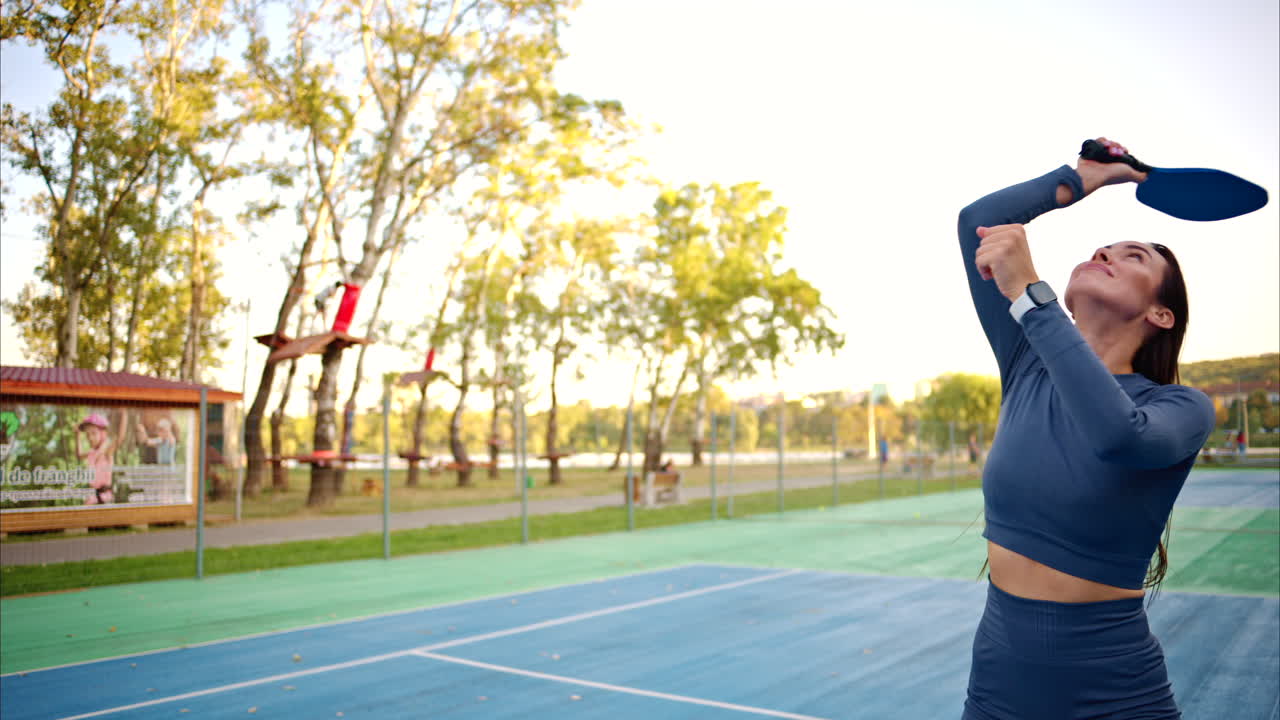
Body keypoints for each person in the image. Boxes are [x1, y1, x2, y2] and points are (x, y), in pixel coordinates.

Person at [958, 137, 1214, 719]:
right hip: (996, 691)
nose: (1108, 251)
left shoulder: (1184, 408)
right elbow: (978, 223)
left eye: (1135, 256)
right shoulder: (1028, 361)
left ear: (1160, 314)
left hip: (1116, 698)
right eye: (1105, 245)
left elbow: (1120, 435)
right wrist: (1081, 177)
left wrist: (1032, 296)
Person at [75, 412, 117, 505]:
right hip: (93, 497)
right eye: (87, 435)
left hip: (105, 497)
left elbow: (119, 438)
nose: (90, 438)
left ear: (103, 434)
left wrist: (124, 414)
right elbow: (79, 455)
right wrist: (77, 435)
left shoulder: (107, 451)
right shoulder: (91, 453)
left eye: (93, 433)